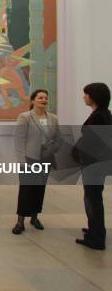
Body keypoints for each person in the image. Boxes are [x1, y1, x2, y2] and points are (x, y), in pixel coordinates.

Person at [12, 89, 60, 235]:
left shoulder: (53, 118)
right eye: (40, 98)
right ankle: (20, 222)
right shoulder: (25, 117)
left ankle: (34, 217)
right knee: (26, 190)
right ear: (33, 101)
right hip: (29, 159)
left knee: (40, 189)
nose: (43, 100)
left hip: (45, 159)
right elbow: (19, 140)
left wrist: (52, 148)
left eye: (45, 98)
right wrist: (21, 161)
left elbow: (58, 138)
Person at [73, 83, 112, 250]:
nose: (84, 97)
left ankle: (96, 238)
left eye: (86, 94)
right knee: (93, 198)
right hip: (97, 164)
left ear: (93, 96)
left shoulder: (98, 117)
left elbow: (91, 142)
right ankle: (95, 229)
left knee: (92, 199)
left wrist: (77, 152)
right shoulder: (103, 114)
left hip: (94, 165)